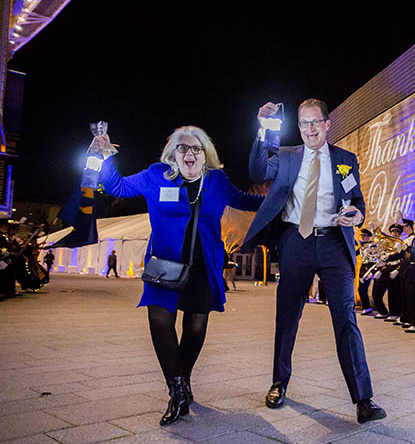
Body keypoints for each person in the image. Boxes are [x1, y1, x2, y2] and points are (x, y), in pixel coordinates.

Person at [97, 126, 263, 426]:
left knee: (195, 329)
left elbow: (248, 202)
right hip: (165, 264)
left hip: (203, 265)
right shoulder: (156, 175)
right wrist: (105, 155)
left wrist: (288, 192)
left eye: (196, 149)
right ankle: (176, 391)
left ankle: (184, 378)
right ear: (173, 153)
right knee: (160, 322)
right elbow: (116, 187)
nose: (190, 153)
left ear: (205, 154)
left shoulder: (217, 181)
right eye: (183, 148)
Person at [244, 99, 386, 424]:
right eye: (303, 123)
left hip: (335, 243)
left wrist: (358, 214)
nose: (309, 129)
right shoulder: (287, 155)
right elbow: (256, 171)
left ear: (326, 124)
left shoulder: (346, 161)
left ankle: (363, 400)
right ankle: (279, 384)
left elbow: (358, 201)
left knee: (346, 321)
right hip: (296, 241)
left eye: (314, 122)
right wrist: (262, 128)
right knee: (287, 317)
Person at [357, 228, 375, 315]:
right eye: (362, 236)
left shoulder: (372, 246)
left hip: (369, 267)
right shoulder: (362, 246)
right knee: (361, 289)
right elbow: (355, 253)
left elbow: (374, 259)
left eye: (365, 236)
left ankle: (367, 307)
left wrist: (371, 271)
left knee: (363, 288)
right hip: (363, 267)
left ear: (368, 237)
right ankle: (366, 307)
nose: (363, 238)